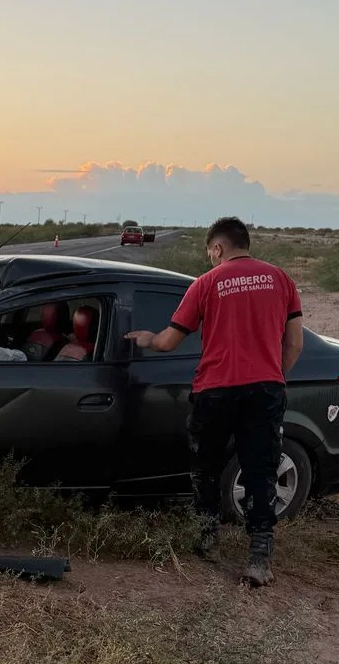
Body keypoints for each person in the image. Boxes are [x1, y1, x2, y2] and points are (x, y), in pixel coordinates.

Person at [124, 217, 304, 587]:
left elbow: (169, 342)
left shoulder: (206, 284)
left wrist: (145, 338)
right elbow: (295, 343)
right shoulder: (281, 279)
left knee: (204, 466)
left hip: (216, 390)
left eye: (209, 252)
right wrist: (274, 377)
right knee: (260, 471)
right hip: (265, 390)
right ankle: (259, 559)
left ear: (218, 248)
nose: (209, 258)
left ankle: (207, 537)